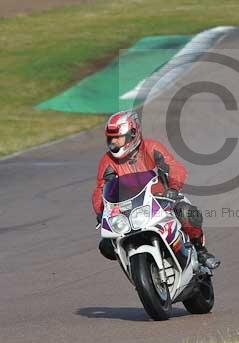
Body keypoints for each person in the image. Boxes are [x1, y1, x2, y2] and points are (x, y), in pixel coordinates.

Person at [92, 110, 220, 269]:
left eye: (118, 138)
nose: (114, 143)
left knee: (187, 213)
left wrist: (173, 188)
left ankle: (201, 251)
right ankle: (137, 269)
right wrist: (101, 211)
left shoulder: (151, 147)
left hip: (162, 201)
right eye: (111, 139)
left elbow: (174, 167)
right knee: (107, 245)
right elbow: (101, 189)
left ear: (133, 134)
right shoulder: (107, 161)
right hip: (129, 211)